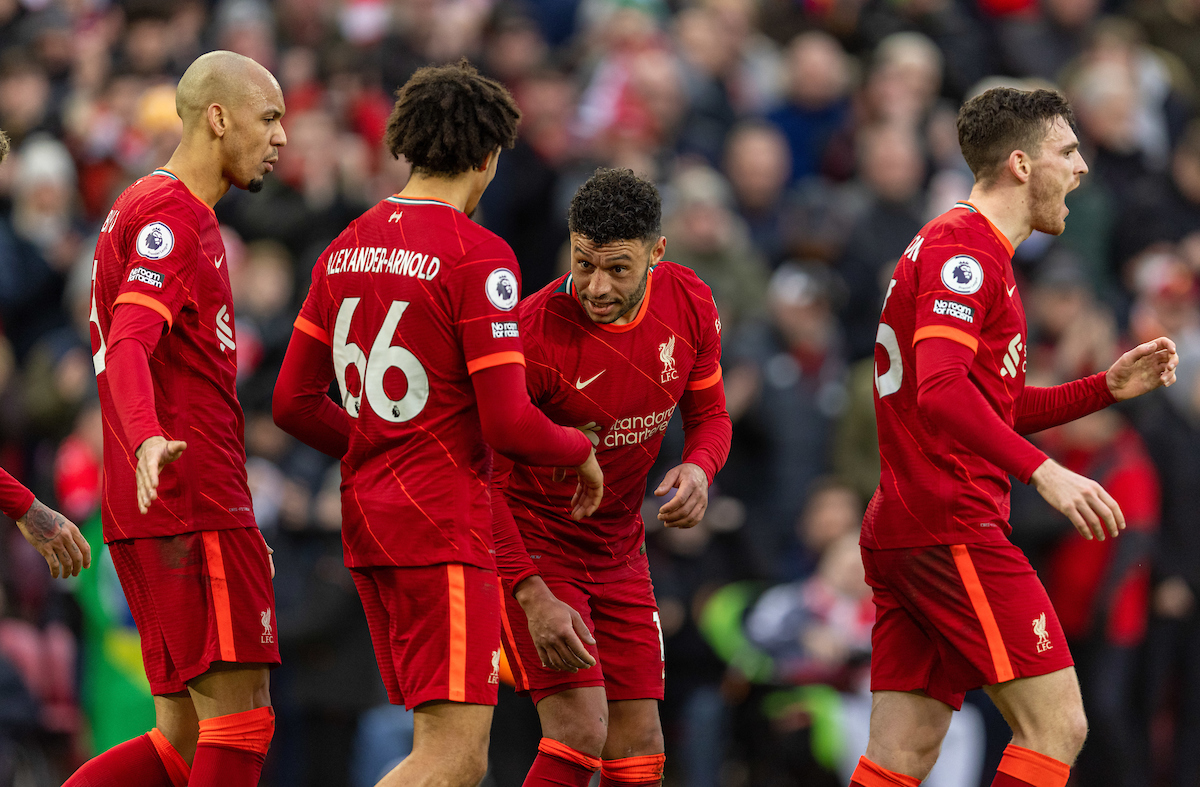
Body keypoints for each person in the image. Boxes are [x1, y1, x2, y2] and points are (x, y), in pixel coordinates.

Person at [270, 60, 603, 787]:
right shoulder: (479, 256)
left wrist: (381, 445)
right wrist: (578, 448)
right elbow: (510, 422)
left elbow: (291, 400)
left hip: (368, 518)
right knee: (453, 758)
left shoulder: (346, 242)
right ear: (487, 158)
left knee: (438, 745)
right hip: (439, 525)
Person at [852, 87, 1178, 787]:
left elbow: (981, 402)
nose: (1083, 167)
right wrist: (1045, 472)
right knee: (1058, 726)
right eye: (1068, 151)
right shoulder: (963, 249)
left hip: (912, 522)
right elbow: (942, 392)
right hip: (952, 522)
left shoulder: (968, 250)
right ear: (1023, 165)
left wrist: (1100, 388)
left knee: (902, 751)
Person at [71, 50, 287, 787]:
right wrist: (147, 435)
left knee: (182, 738)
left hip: (150, 504)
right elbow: (131, 340)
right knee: (243, 718)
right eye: (269, 117)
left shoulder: (137, 208)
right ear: (217, 117)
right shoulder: (173, 216)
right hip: (190, 499)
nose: (281, 137)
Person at [492, 168, 732, 787]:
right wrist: (530, 593)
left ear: (657, 253)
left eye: (617, 269)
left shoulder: (691, 301)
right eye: (583, 264)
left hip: (621, 545)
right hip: (534, 545)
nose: (595, 286)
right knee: (578, 730)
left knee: (641, 747)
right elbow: (481, 481)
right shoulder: (531, 335)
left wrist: (700, 469)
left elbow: (710, 416)